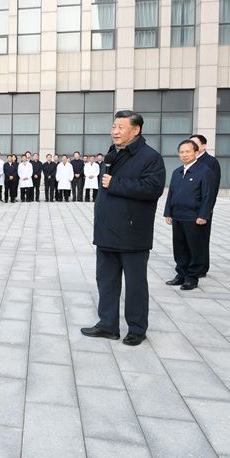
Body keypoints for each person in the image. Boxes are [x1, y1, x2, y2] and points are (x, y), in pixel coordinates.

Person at [81, 110, 166, 346]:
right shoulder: (112, 154)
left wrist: (116, 183)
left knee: (136, 285)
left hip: (132, 234)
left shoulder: (150, 157)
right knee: (106, 281)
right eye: (113, 127)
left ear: (136, 129)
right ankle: (108, 325)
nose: (115, 131)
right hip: (107, 232)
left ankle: (137, 329)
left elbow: (152, 188)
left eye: (120, 127)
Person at [163, 140, 217, 291]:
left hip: (194, 217)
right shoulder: (177, 172)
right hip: (178, 216)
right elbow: (171, 193)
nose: (184, 155)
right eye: (182, 152)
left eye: (188, 151)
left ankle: (192, 277)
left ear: (196, 152)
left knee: (194, 248)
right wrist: (168, 212)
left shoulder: (205, 171)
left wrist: (203, 215)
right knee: (179, 247)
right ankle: (180, 274)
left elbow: (208, 196)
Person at [189, 134, 221, 277]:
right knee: (189, 239)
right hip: (188, 209)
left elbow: (212, 188)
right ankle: (190, 265)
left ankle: (201, 268)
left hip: (202, 208)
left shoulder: (210, 162)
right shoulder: (190, 161)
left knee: (201, 239)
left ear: (203, 146)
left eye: (195, 144)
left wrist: (206, 210)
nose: (193, 147)